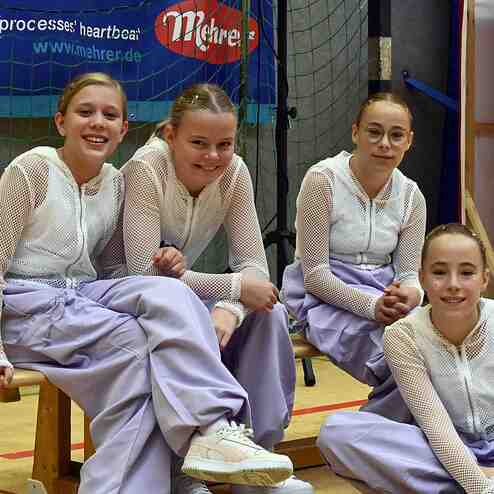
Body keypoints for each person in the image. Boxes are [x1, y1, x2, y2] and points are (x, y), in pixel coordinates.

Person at [0, 73, 294, 494]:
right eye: (85, 112)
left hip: (82, 297)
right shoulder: (32, 170)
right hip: (26, 303)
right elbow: (134, 269)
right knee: (140, 346)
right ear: (61, 121)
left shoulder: (112, 183)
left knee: (176, 297)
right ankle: (188, 462)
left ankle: (220, 440)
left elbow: (118, 272)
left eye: (109, 115)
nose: (97, 122)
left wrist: (193, 286)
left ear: (124, 128)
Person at [121, 83, 311, 494]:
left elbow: (255, 267)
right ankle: (180, 473)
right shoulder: (146, 168)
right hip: (125, 298)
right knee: (177, 318)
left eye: (224, 144)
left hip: (178, 293)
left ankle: (257, 461)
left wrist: (232, 306)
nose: (212, 156)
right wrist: (236, 286)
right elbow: (142, 275)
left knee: (270, 312)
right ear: (170, 135)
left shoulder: (234, 172)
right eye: (198, 143)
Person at [281, 92, 426, 421]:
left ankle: (377, 434)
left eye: (396, 135)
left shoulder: (411, 196)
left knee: (434, 352)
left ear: (408, 141)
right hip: (324, 298)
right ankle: (376, 435)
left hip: (384, 297)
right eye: (374, 132)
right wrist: (373, 307)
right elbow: (315, 276)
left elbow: (408, 275)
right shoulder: (323, 181)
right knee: (402, 359)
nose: (385, 144)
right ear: (355, 132)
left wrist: (410, 296)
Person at [318, 223, 494, 494]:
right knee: (337, 432)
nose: (453, 284)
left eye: (467, 273)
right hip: (442, 448)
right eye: (439, 272)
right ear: (422, 279)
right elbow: (436, 427)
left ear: (484, 279)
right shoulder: (402, 335)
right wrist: (480, 486)